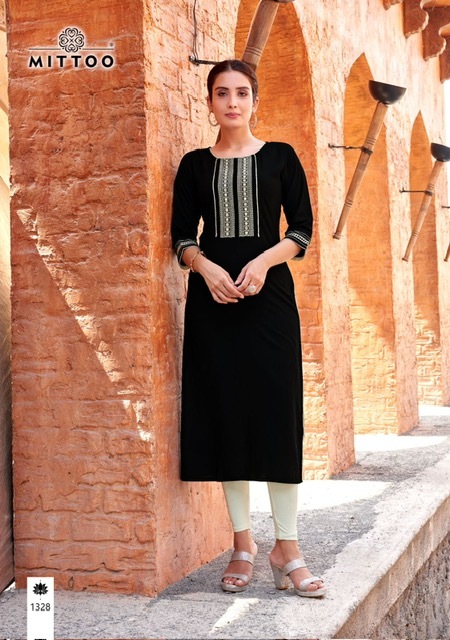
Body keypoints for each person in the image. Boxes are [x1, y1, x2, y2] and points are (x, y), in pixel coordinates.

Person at [171, 59, 325, 598]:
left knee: (278, 415)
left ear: (255, 101)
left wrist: (261, 262)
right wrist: (207, 269)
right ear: (209, 102)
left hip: (271, 302)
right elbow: (180, 238)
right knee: (227, 415)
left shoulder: (281, 157)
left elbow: (302, 230)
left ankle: (288, 547)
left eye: (241, 93)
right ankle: (243, 544)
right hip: (213, 305)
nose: (232, 102)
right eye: (222, 93)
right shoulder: (194, 165)